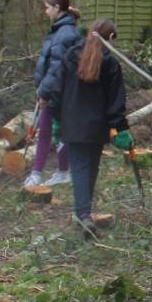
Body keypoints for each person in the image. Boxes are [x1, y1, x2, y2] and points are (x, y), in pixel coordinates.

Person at [48, 19, 130, 239]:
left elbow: (56, 91)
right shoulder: (110, 64)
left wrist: (57, 120)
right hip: (97, 127)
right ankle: (84, 214)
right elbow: (116, 101)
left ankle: (83, 215)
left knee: (80, 170)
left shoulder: (69, 57)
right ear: (110, 38)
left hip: (73, 126)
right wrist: (120, 127)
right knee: (90, 169)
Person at [25, 0, 83, 189]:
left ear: (57, 8)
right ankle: (61, 172)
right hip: (57, 90)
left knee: (48, 132)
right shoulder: (62, 30)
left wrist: (44, 92)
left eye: (47, 7)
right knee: (55, 131)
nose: (45, 11)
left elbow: (57, 67)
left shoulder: (64, 33)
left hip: (59, 91)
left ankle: (38, 175)